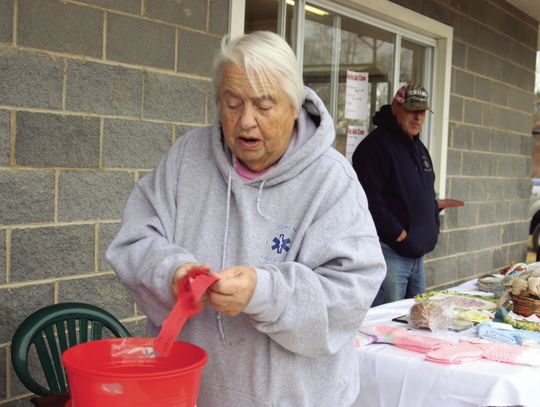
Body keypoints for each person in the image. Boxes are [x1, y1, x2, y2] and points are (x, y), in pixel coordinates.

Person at [106, 31, 385, 406]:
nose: (245, 122)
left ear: (293, 105)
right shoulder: (187, 157)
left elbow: (352, 292)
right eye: (232, 103)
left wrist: (263, 292)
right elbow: (135, 240)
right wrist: (171, 272)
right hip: (193, 395)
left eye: (264, 106)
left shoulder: (331, 180)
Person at [352, 83, 439, 306]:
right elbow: (370, 201)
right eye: (412, 110)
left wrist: (433, 223)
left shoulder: (418, 147)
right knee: (388, 323)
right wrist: (399, 234)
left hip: (417, 257)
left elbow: (427, 190)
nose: (417, 117)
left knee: (419, 319)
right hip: (390, 253)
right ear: (395, 108)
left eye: (422, 112)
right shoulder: (374, 147)